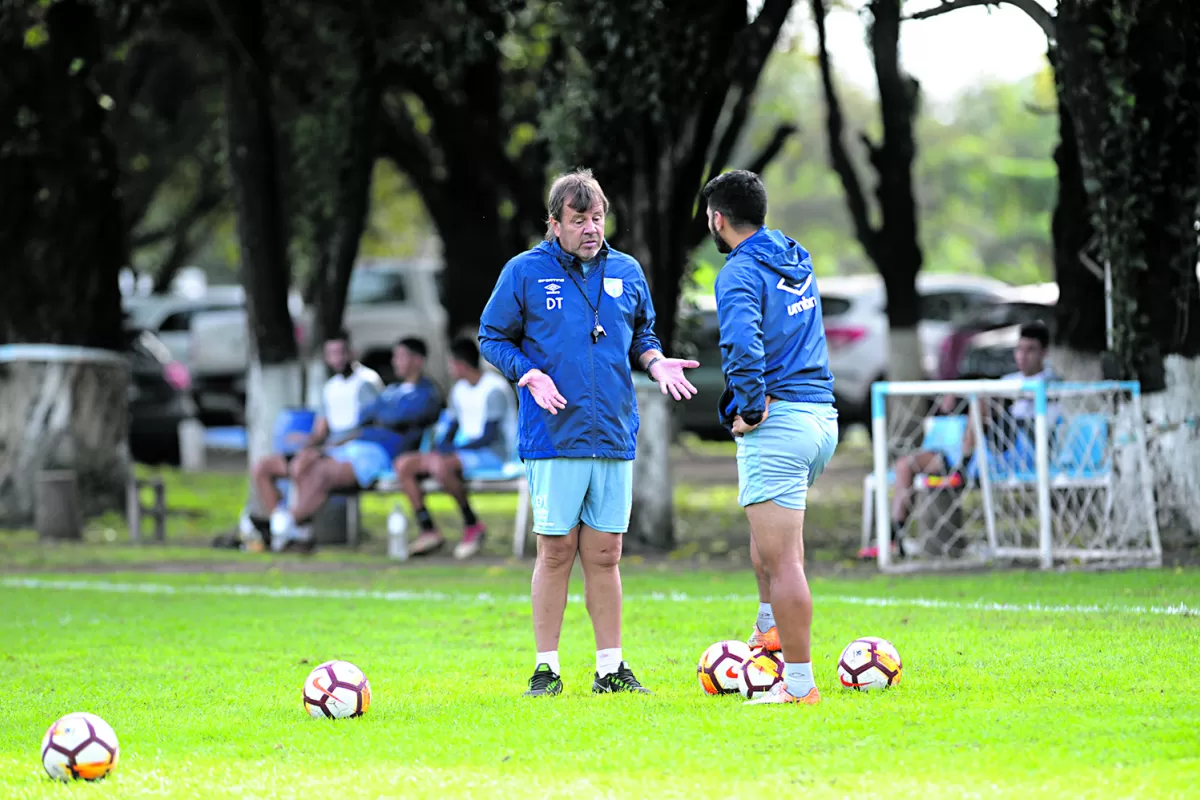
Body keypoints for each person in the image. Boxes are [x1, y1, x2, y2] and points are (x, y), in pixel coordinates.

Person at [479, 168, 700, 697]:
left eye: (597, 218)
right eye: (579, 220)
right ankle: (547, 669)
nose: (591, 229)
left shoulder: (626, 269)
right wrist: (526, 373)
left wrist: (655, 361)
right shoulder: (525, 272)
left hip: (614, 431)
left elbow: (642, 333)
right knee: (555, 553)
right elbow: (492, 336)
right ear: (554, 224)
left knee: (606, 555)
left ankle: (610, 669)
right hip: (555, 434)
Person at [703, 169, 839, 706]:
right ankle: (769, 631)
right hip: (820, 418)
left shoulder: (738, 272)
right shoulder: (791, 254)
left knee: (785, 561)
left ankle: (799, 685)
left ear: (718, 219)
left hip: (779, 423)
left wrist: (752, 408)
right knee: (769, 544)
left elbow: (742, 344)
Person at [879, 319, 1058, 554]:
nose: (1023, 356)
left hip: (1020, 449)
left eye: (1030, 350)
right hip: (980, 449)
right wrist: (955, 394)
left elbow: (1036, 414)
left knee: (982, 400)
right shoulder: (1008, 381)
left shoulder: (1051, 382)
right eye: (1019, 349)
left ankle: (962, 466)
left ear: (1044, 353)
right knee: (906, 464)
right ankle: (894, 539)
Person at [268, 337, 443, 551]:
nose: (395, 361)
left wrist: (383, 416)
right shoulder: (393, 391)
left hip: (381, 453)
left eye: (401, 356)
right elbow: (367, 415)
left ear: (417, 360)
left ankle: (284, 526)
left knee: (323, 473)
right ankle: (298, 532)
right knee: (305, 463)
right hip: (356, 447)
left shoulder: (426, 393)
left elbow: (392, 417)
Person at [248, 329, 383, 538]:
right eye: (332, 353)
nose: (337, 359)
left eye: (341, 352)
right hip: (328, 448)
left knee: (306, 466)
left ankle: (290, 526)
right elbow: (320, 430)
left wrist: (327, 447)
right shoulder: (330, 387)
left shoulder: (366, 383)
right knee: (264, 467)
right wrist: (305, 442)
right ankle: (280, 522)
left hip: (352, 450)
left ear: (352, 352)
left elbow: (369, 427)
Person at [394, 336, 518, 560]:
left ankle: (472, 524)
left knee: (441, 467)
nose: (449, 368)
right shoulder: (459, 390)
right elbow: (451, 425)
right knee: (404, 465)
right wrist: (442, 447)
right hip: (465, 453)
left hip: (494, 455)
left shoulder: (494, 389)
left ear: (461, 364)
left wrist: (452, 450)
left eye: (451, 363)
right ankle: (428, 529)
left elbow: (490, 436)